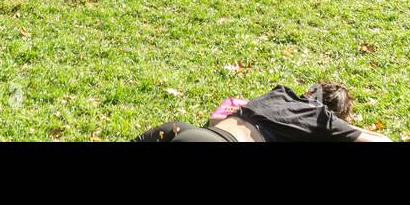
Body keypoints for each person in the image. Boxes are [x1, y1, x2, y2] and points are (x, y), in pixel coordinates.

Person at [135, 83, 389, 142]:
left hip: (188, 133)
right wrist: (345, 130)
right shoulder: (322, 119)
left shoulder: (280, 93)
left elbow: (216, 117)